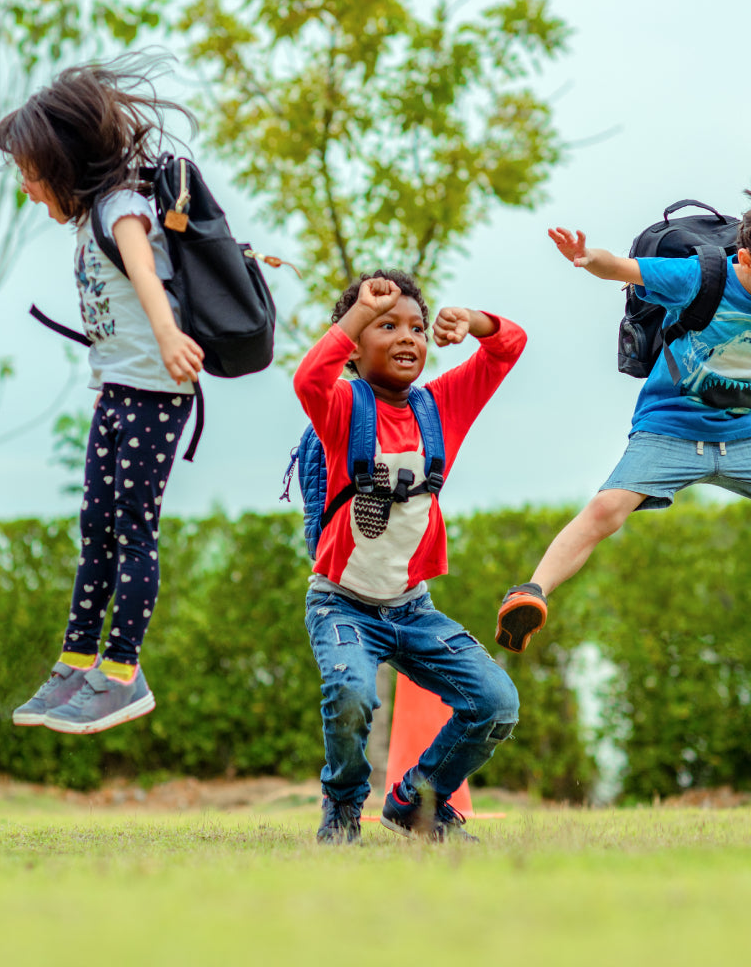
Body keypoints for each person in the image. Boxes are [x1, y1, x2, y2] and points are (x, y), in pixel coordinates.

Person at [0, 56, 202, 734]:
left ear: (64, 163)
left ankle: (122, 673)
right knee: (97, 532)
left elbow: (141, 264)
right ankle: (78, 661)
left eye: (30, 172)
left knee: (133, 532)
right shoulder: (90, 218)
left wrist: (168, 335)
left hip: (153, 391)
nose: (25, 187)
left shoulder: (120, 206)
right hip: (118, 390)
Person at [295, 270, 525, 844]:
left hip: (413, 610)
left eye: (417, 327)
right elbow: (308, 378)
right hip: (341, 607)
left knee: (496, 703)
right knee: (350, 693)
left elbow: (510, 345)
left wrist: (472, 322)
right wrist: (353, 317)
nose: (407, 337)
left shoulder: (441, 406)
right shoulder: (344, 407)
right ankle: (344, 806)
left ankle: (416, 801)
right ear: (353, 343)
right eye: (386, 325)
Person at [498, 219, 751, 654]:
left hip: (744, 434)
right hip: (670, 426)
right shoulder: (699, 277)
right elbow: (619, 268)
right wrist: (585, 256)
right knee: (606, 508)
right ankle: (530, 592)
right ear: (744, 258)